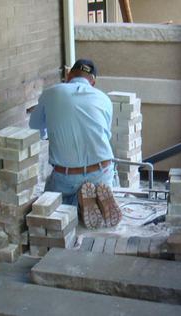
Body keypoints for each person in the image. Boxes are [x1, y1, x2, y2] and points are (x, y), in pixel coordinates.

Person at [29, 59, 121, 229]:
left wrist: (47, 133)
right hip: (102, 170)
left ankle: (78, 203)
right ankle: (95, 199)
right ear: (93, 81)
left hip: (67, 174)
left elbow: (34, 126)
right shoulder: (104, 98)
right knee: (106, 176)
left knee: (52, 204)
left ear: (68, 75)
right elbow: (104, 134)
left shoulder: (50, 93)